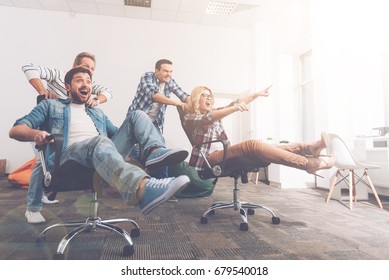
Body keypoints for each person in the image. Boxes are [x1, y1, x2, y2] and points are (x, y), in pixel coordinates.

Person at [9, 67, 190, 224]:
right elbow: (16, 129)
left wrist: (139, 151)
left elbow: (121, 133)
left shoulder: (97, 112)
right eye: (79, 80)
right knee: (100, 141)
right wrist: (36, 134)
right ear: (67, 87)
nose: (85, 84)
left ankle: (155, 151)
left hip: (101, 153)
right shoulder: (51, 105)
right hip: (67, 159)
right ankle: (142, 189)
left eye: (88, 81)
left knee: (138, 116)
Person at [183, 85, 335, 175]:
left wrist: (255, 95)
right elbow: (208, 118)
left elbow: (234, 103)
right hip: (209, 160)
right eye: (204, 96)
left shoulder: (215, 113)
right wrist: (234, 108)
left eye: (210, 96)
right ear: (197, 99)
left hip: (223, 153)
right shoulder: (190, 118)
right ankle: (308, 164)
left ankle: (309, 147)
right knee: (252, 145)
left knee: (270, 148)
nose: (209, 98)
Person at [126, 59, 190, 178]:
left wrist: (195, 102)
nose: (169, 74)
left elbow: (183, 96)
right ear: (156, 71)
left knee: (160, 151)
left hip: (154, 123)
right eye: (166, 71)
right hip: (137, 120)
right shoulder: (147, 77)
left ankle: (162, 183)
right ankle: (134, 185)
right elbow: (155, 96)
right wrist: (177, 104)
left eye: (171, 71)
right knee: (135, 154)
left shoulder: (170, 81)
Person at [22, 52, 112, 107]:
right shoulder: (58, 75)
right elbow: (29, 68)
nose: (89, 71)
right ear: (74, 66)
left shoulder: (88, 84)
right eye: (86, 66)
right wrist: (43, 92)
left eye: (92, 69)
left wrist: (96, 100)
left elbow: (109, 92)